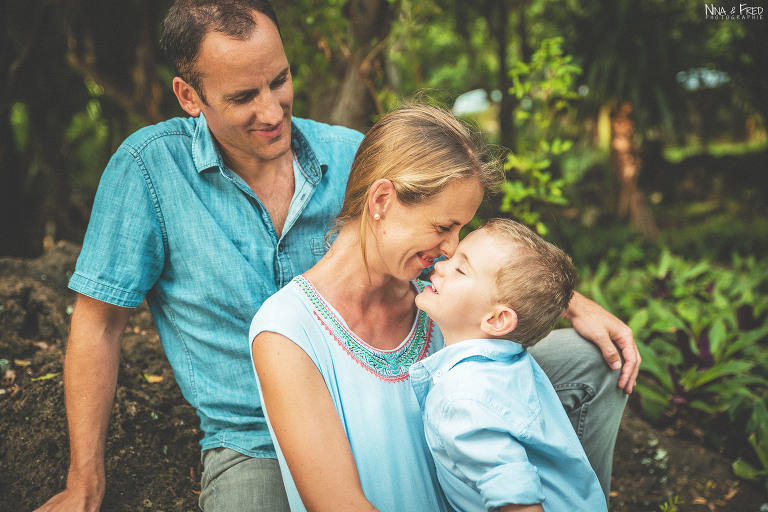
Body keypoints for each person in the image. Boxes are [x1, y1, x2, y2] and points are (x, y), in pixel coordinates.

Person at [35, 1, 363, 511]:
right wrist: (85, 482)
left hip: (374, 407)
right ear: (189, 96)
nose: (273, 112)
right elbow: (99, 324)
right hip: (256, 444)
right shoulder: (148, 171)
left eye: (279, 80)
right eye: (243, 97)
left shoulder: (352, 156)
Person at [250, 104, 639, 512]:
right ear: (382, 199)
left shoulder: (439, 298)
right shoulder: (286, 331)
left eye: (460, 229)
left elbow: (499, 281)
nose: (452, 248)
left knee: (594, 356)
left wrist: (571, 302)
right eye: (443, 227)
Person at [410, 218, 606, 512]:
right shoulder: (509, 361)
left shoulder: (465, 400)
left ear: (497, 319)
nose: (439, 265)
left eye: (461, 269)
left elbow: (519, 501)